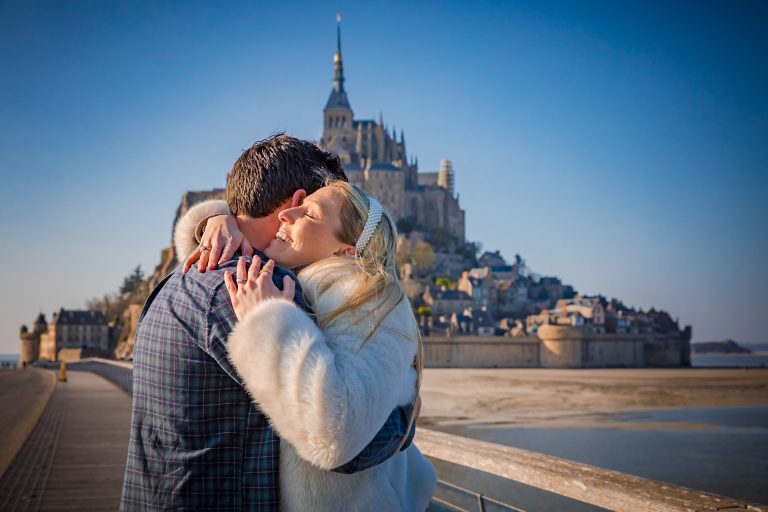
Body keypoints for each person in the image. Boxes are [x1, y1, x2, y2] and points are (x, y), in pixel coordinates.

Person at [120, 135, 415, 511]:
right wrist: (406, 413)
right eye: (310, 207)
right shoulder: (257, 287)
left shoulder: (182, 277)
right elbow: (347, 446)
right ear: (296, 201)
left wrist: (212, 218)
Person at [179, 180, 436, 511]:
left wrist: (266, 319)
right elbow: (206, 277)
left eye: (309, 214)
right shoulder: (302, 280)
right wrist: (216, 221)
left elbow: (333, 434)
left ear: (346, 249)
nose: (287, 214)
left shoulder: (371, 298)